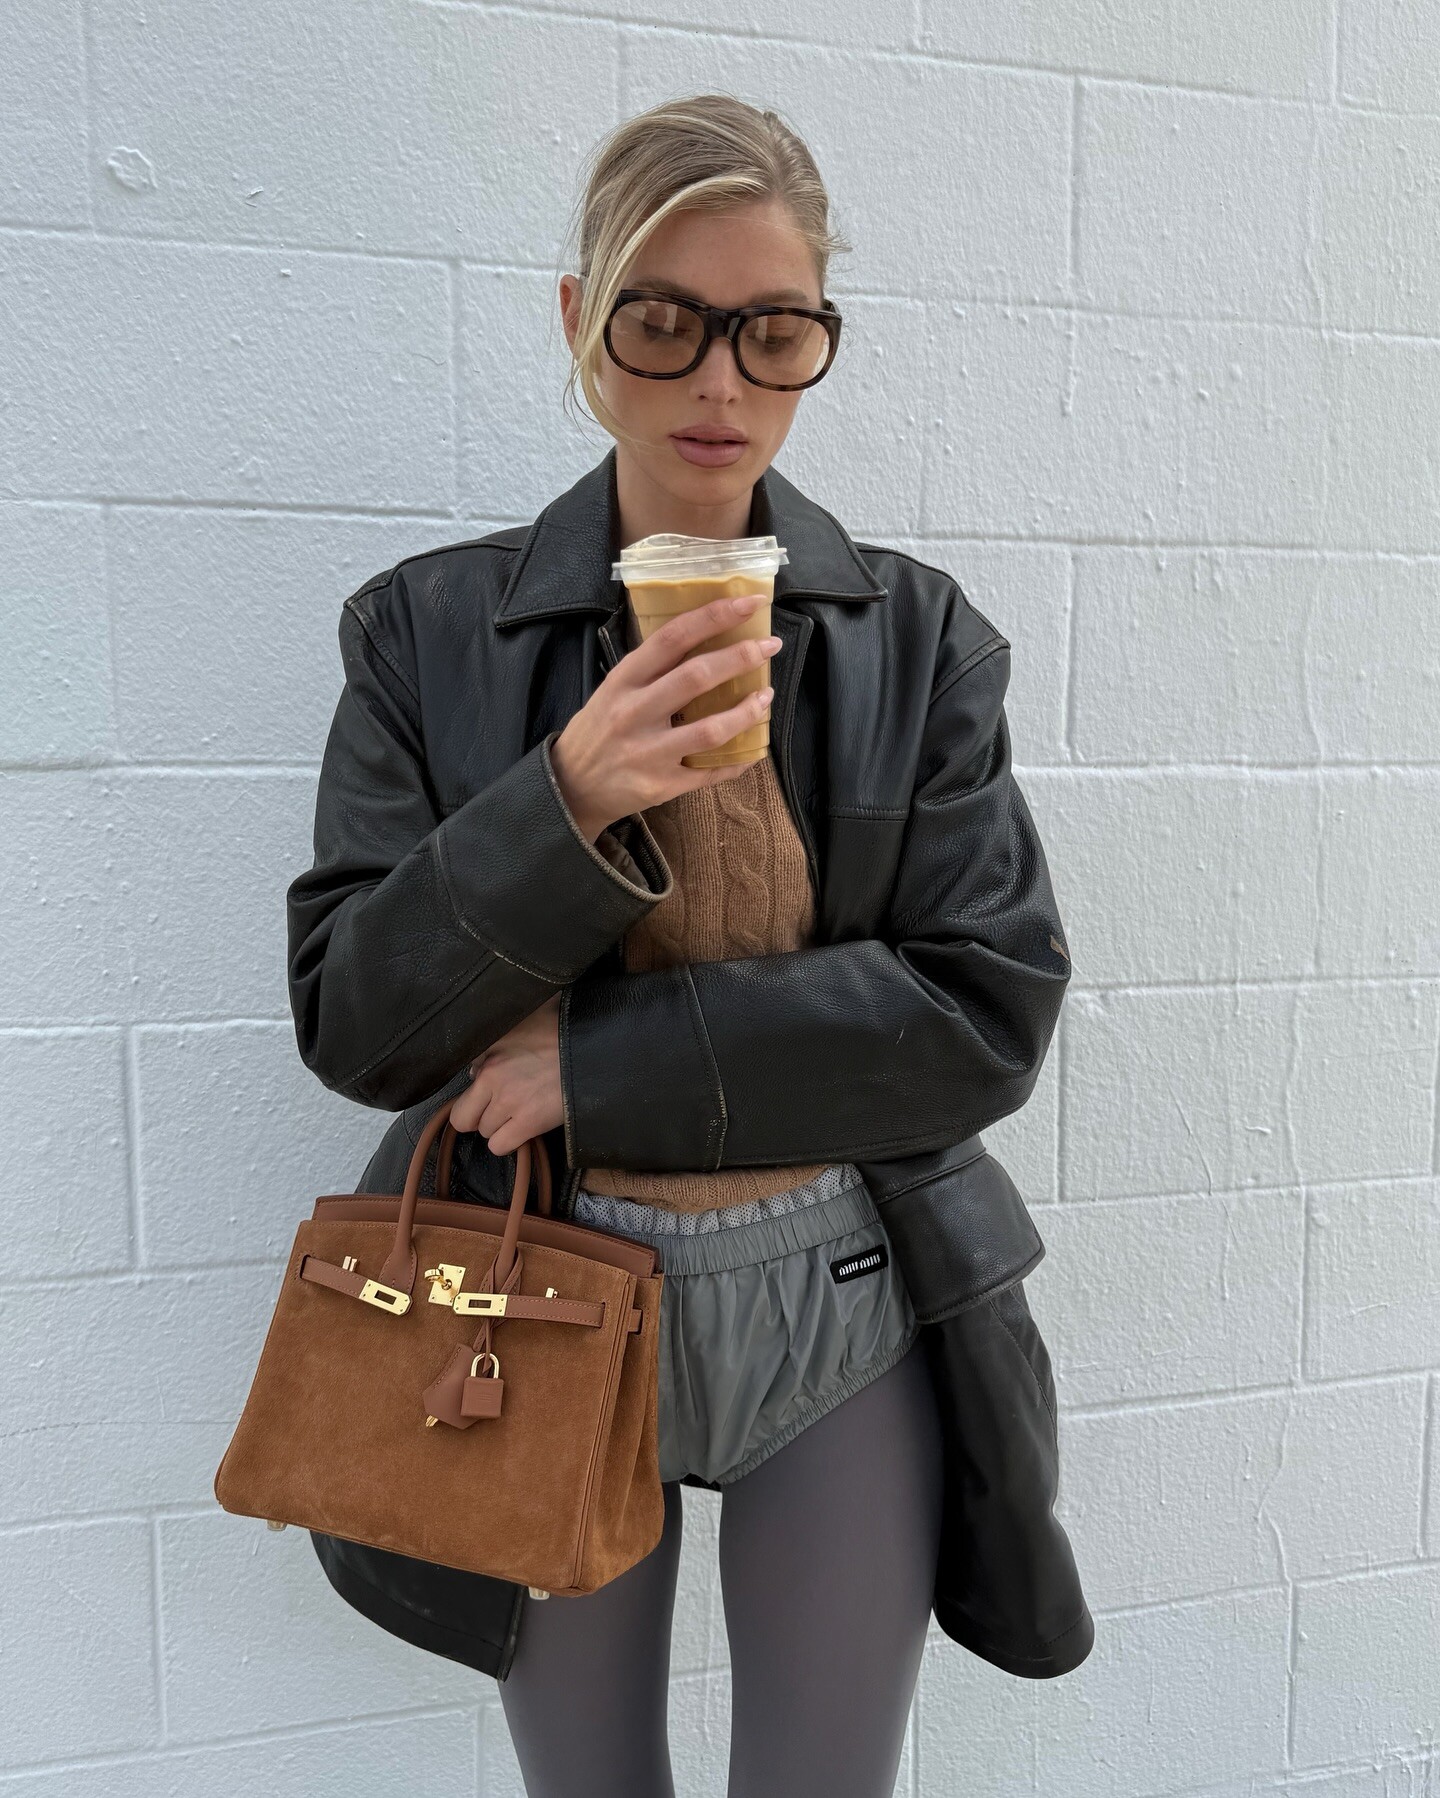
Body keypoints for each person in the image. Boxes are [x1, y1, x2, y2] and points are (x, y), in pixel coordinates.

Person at [286, 91, 1077, 1798]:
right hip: (543, 1295)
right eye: (664, 321)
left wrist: (594, 1062)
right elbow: (357, 1021)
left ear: (815, 344)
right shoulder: (429, 630)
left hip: (844, 1295)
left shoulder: (915, 637)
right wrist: (564, 797)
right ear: (584, 321)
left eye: (772, 331)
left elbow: (984, 1006)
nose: (720, 382)